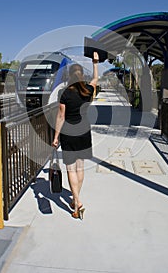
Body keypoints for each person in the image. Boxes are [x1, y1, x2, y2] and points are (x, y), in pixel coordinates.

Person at [52, 51, 99, 219]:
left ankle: (77, 203)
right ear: (81, 76)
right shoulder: (87, 91)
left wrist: (56, 136)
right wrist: (95, 63)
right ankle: (75, 200)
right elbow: (95, 80)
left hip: (69, 134)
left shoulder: (65, 93)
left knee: (71, 169)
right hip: (84, 132)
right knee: (80, 168)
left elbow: (61, 117)